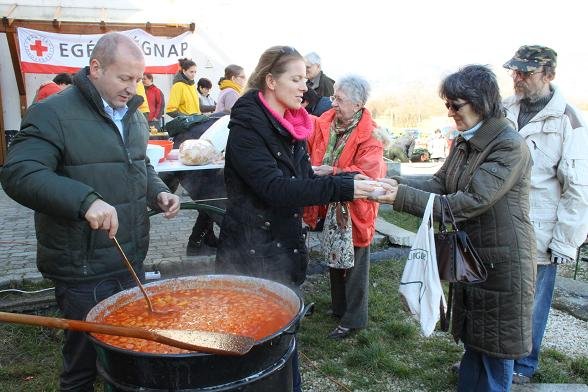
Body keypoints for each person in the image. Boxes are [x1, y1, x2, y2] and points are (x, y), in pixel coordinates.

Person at [0, 32, 181, 391]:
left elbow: (138, 164)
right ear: (96, 68)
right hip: (82, 266)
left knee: (132, 350)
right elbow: (19, 173)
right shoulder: (51, 113)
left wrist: (158, 192)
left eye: (137, 79)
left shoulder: (132, 115)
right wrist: (85, 200)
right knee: (83, 361)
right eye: (124, 78)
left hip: (129, 257)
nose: (133, 88)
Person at [214, 45, 376, 392]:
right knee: (251, 354)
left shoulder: (292, 126)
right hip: (251, 255)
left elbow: (299, 178)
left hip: (282, 251)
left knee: (284, 349)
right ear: (271, 81)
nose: (306, 86)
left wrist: (342, 179)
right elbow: (275, 189)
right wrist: (342, 187)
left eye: (306, 78)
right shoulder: (246, 128)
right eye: (297, 78)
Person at [374, 65, 535, 392]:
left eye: (455, 105)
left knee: (495, 350)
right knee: (475, 343)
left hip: (503, 265)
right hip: (476, 256)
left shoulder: (508, 146)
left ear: (481, 102)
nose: (449, 113)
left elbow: (471, 200)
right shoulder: (466, 141)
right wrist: (395, 183)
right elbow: (440, 183)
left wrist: (400, 196)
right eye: (447, 105)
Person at [502, 45, 588, 384]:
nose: (517, 78)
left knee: (530, 303)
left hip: (539, 231)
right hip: (500, 221)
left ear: (549, 75)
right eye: (514, 71)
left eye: (526, 72)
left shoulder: (570, 121)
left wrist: (566, 243)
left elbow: (579, 189)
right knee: (495, 294)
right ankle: (489, 358)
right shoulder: (502, 109)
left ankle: (522, 366)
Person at [304, 75, 386, 340]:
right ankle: (339, 309)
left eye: (339, 99)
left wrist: (334, 171)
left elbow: (368, 173)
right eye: (334, 97)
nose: (333, 102)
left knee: (355, 262)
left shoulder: (371, 135)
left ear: (358, 104)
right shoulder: (326, 121)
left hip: (356, 209)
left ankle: (354, 318)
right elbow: (305, 138)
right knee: (335, 256)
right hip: (331, 204)